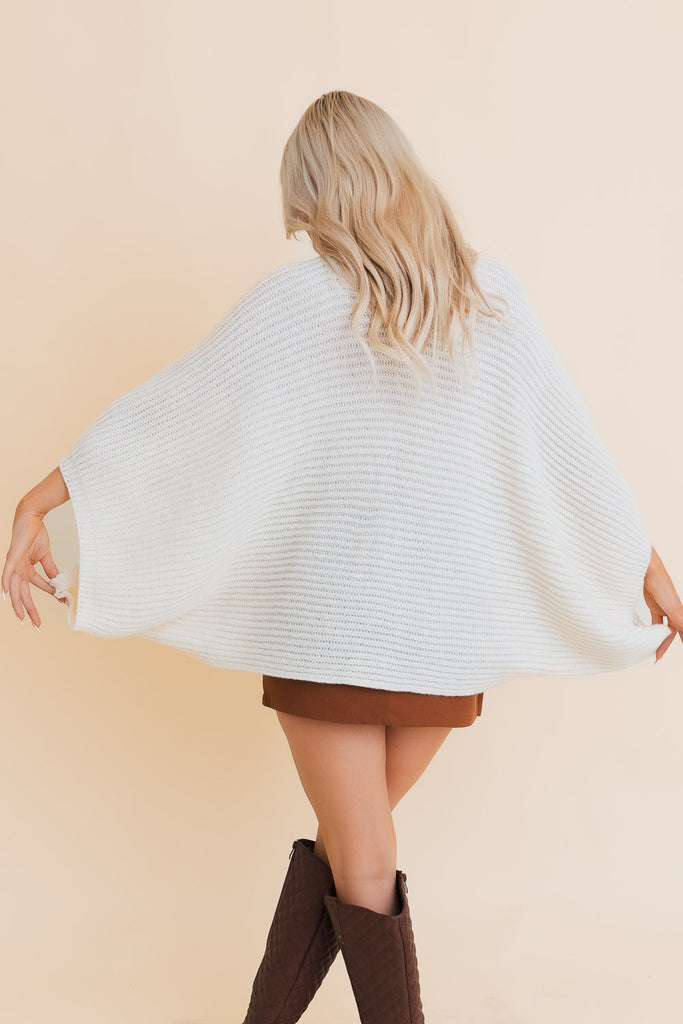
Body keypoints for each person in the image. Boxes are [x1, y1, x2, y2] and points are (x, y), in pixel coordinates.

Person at [3, 90, 681, 1024]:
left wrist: (48, 494)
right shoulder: (491, 297)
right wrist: (643, 566)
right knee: (350, 849)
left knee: (357, 856)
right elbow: (568, 452)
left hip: (331, 630)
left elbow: (179, 417)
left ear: (313, 192)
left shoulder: (298, 302)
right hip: (449, 638)